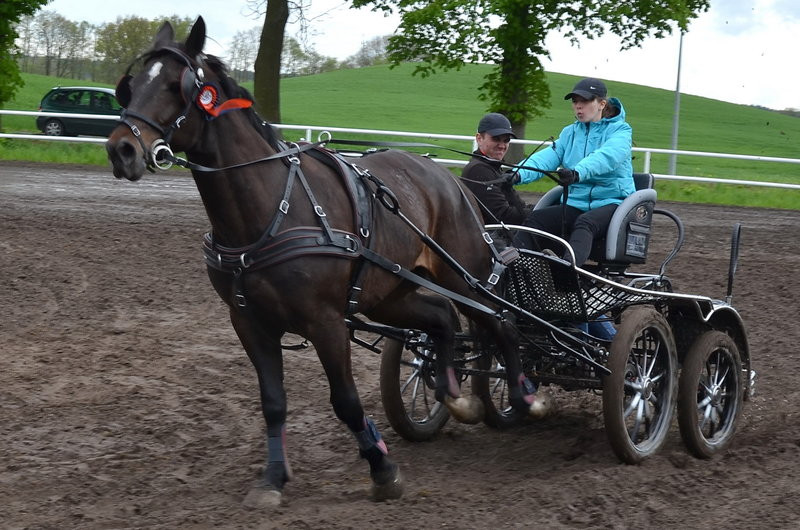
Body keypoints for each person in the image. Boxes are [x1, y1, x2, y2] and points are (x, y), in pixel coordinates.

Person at [513, 78, 635, 267]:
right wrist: (516, 174)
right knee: (536, 219)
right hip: (576, 203)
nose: (578, 107)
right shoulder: (569, 133)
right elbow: (548, 157)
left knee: (585, 223)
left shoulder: (620, 131)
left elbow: (607, 156)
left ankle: (567, 271)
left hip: (612, 202)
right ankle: (515, 267)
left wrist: (577, 172)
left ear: (601, 104)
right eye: (575, 102)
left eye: (585, 101)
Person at [461, 113, 531, 225]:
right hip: (489, 238)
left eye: (506, 140)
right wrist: (536, 216)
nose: (502, 145)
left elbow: (517, 205)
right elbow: (503, 216)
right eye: (496, 139)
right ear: (479, 138)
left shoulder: (493, 166)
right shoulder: (478, 170)